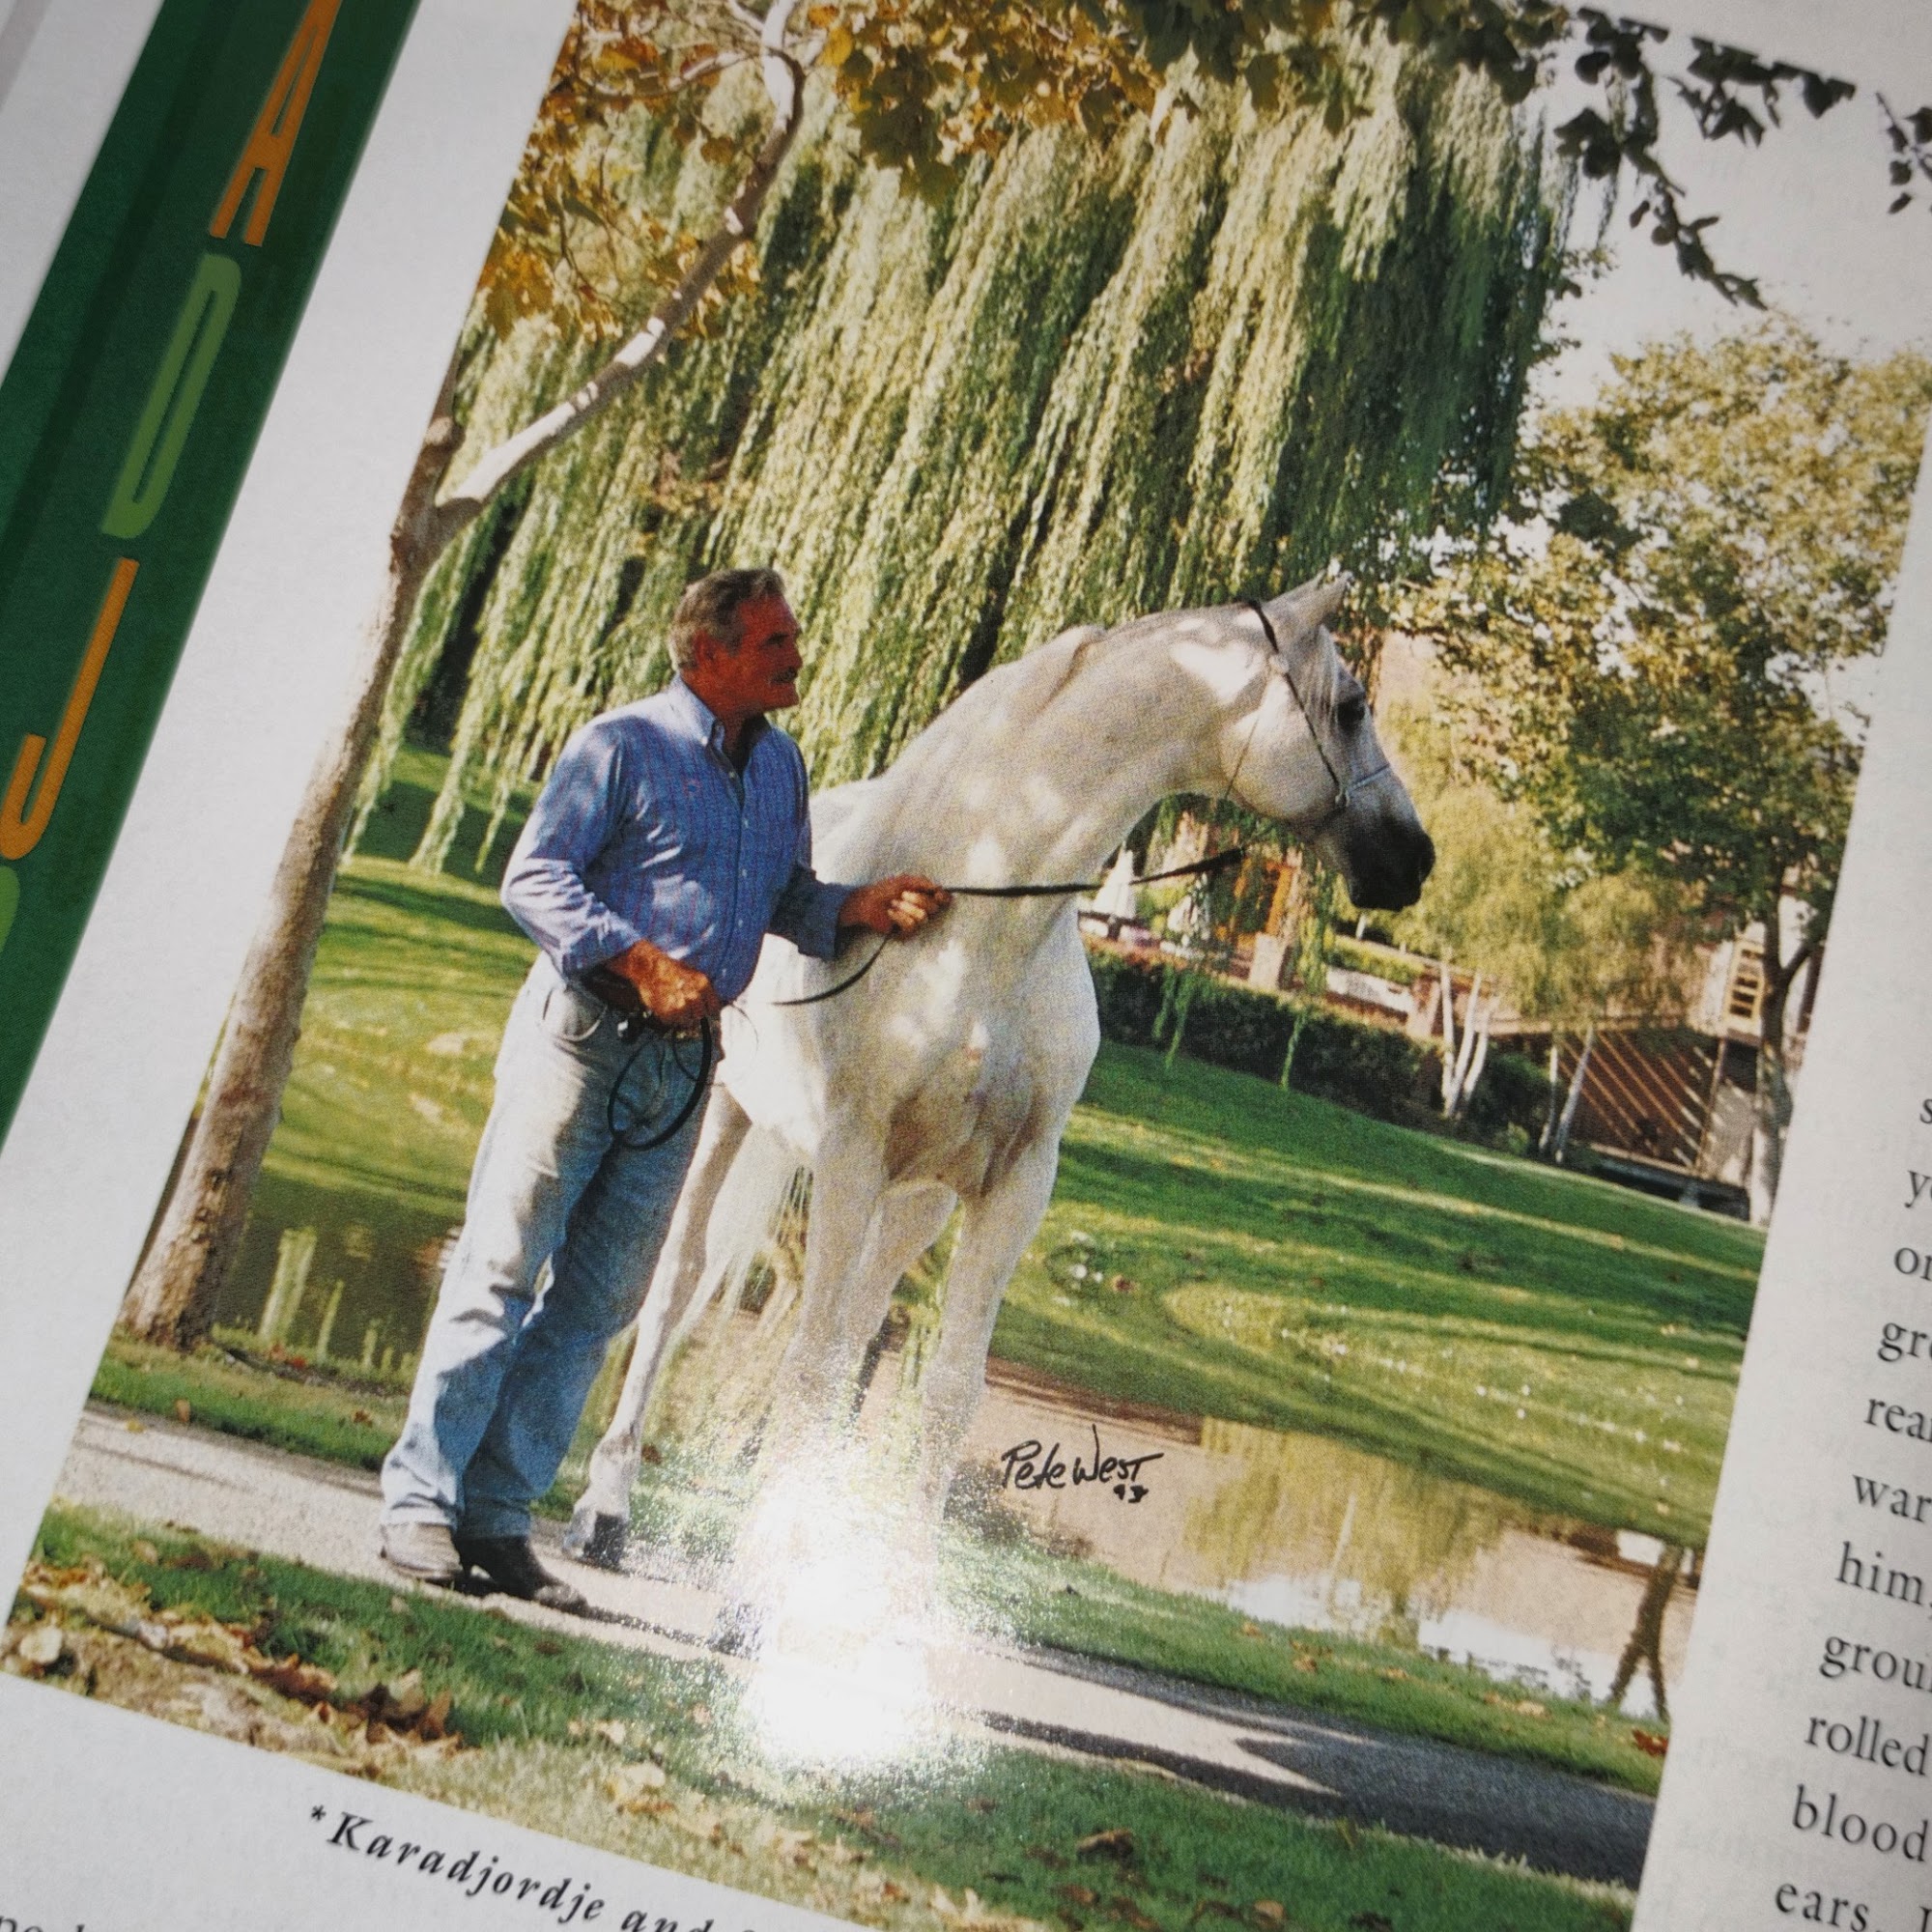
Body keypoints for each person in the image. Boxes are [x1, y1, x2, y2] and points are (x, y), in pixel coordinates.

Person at [377, 566, 948, 1607]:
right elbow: (533, 876)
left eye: (792, 638)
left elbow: (784, 899)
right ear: (705, 654)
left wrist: (857, 904)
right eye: (774, 642)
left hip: (684, 1071)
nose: (795, 656)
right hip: (581, 1044)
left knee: (596, 1301)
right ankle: (420, 1502)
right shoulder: (620, 745)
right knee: (502, 1269)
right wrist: (639, 961)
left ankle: (499, 1519)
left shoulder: (780, 771)